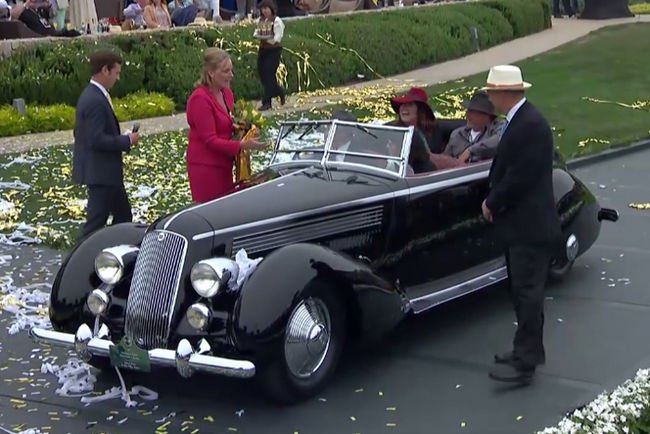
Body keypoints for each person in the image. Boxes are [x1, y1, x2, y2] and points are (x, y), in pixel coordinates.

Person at [481, 65, 561, 384]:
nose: (490, 98)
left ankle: (527, 359)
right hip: (521, 225)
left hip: (530, 225)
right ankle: (523, 349)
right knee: (521, 290)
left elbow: (520, 175)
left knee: (528, 292)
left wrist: (492, 201)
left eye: (492, 92)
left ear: (504, 93)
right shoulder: (521, 121)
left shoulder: (529, 124)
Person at [186, 47, 268, 203]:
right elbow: (210, 140)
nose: (231, 75)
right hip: (206, 168)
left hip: (225, 164)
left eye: (231, 70)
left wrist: (247, 130)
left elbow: (230, 124)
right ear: (211, 72)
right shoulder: (200, 100)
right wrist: (242, 145)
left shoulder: (227, 94)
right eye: (225, 71)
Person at [72, 50, 139, 239]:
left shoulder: (94, 95)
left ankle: (116, 253)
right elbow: (96, 139)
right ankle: (77, 262)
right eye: (116, 73)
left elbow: (82, 133)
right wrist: (126, 140)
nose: (118, 78)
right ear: (105, 70)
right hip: (101, 173)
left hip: (106, 173)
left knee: (123, 217)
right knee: (94, 225)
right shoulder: (94, 99)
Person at [443, 90, 503, 163]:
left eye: (473, 112)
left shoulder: (498, 129)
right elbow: (445, 159)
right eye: (468, 111)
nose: (468, 115)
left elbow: (501, 139)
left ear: (487, 116)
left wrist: (471, 151)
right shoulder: (457, 135)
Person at [253, 0, 286, 111]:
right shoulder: (261, 21)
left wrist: (267, 38)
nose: (264, 11)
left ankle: (267, 102)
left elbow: (277, 37)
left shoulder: (276, 21)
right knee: (262, 74)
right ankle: (278, 91)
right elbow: (256, 33)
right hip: (263, 50)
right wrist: (261, 37)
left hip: (273, 51)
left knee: (269, 74)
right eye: (263, 9)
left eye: (266, 8)